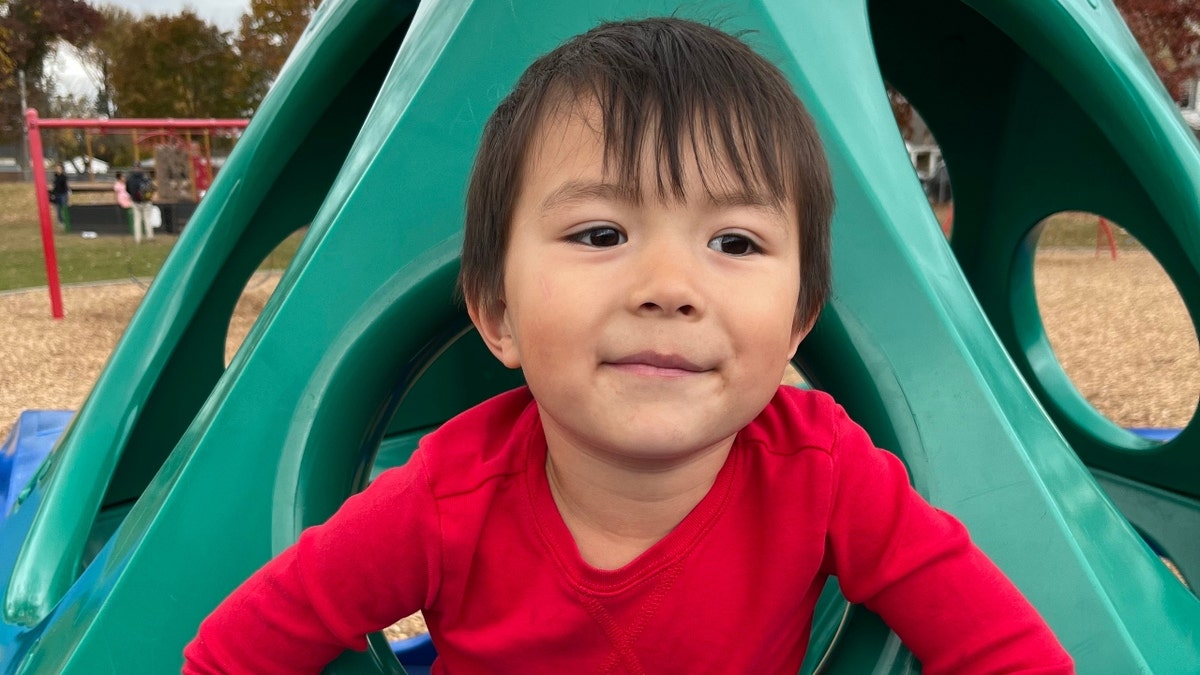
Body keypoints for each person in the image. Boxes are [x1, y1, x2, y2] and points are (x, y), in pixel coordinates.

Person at [185, 18, 1073, 674]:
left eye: (733, 243)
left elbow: (1008, 652)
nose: (668, 285)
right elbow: (233, 654)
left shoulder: (825, 471)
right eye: (602, 232)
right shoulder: (445, 500)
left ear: (798, 322)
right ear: (497, 313)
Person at [126, 168, 155, 243]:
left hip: (135, 202)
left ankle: (138, 238)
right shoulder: (145, 178)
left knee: (137, 220)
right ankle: (150, 236)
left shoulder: (130, 179)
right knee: (147, 219)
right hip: (146, 201)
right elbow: (152, 188)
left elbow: (127, 190)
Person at [112, 171, 138, 240]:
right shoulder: (117, 185)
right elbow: (116, 194)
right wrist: (116, 201)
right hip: (122, 200)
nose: (124, 178)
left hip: (129, 199)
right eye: (122, 176)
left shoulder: (126, 184)